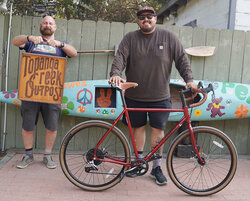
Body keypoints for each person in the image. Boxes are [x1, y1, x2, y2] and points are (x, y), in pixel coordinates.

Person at [109, 6, 196, 185]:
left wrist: (189, 80)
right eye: (142, 17)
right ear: (138, 20)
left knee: (158, 131)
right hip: (134, 95)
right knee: (138, 128)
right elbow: (120, 58)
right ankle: (137, 163)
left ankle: (156, 167)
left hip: (160, 96)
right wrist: (115, 73)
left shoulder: (169, 37)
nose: (146, 19)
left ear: (156, 19)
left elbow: (182, 59)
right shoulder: (130, 38)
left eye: (149, 16)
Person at [12, 15, 77, 169]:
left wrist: (60, 44)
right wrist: (29, 37)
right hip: (30, 92)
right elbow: (15, 41)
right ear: (41, 25)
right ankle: (28, 155)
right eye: (45, 22)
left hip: (51, 93)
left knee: (52, 126)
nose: (48, 25)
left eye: (51, 23)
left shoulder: (61, 45)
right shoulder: (30, 43)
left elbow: (74, 53)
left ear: (55, 27)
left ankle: (47, 156)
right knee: (27, 125)